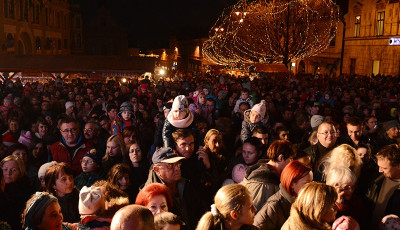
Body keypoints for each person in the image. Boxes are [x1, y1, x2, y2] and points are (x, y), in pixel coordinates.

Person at [145, 147, 205, 230]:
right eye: (171, 165)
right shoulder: (150, 195)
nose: (177, 168)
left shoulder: (186, 184)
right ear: (157, 170)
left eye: (178, 164)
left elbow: (199, 209)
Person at [254, 160, 313, 230]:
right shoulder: (273, 206)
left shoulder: (305, 202)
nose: (311, 187)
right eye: (306, 183)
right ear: (292, 184)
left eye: (312, 182)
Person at [242, 140, 295, 213]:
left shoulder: (257, 172)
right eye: (291, 159)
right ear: (281, 158)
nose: (291, 163)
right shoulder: (266, 183)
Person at [366, 144, 400, 229]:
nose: (379, 170)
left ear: (398, 166)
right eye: (379, 166)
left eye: (384, 168)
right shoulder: (376, 179)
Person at [1, 155, 33, 229]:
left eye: (14, 170)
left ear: (20, 172)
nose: (8, 173)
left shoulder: (27, 192)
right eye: (5, 169)